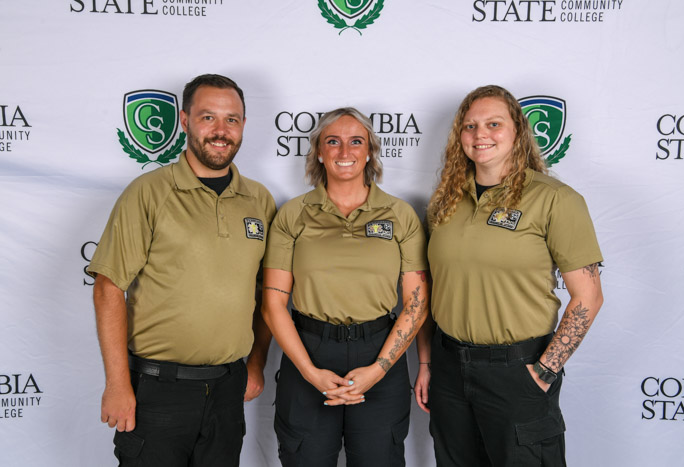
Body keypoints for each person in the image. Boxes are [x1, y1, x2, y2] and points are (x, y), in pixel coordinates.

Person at [87, 74, 276, 467]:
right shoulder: (149, 192)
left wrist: (256, 363)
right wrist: (118, 384)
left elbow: (268, 295)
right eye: (208, 117)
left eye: (232, 119)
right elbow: (108, 287)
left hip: (227, 391)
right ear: (185, 120)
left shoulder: (259, 199)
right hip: (157, 392)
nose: (221, 131)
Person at [414, 85, 604, 466]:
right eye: (469, 126)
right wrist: (427, 363)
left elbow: (588, 296)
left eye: (493, 124)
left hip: (518, 370)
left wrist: (545, 371)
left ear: (518, 130)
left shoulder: (555, 199)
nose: (480, 134)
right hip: (449, 369)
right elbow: (429, 290)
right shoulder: (443, 202)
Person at [262, 107, 430, 467]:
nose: (344, 152)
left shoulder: (400, 215)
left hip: (379, 352)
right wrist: (311, 373)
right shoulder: (293, 215)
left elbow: (416, 304)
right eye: (332, 142)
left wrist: (378, 369)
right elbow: (273, 305)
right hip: (309, 351)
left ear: (369, 150)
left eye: (356, 142)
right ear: (319, 152)